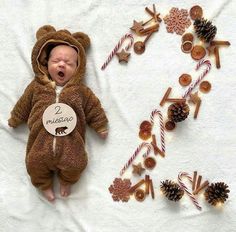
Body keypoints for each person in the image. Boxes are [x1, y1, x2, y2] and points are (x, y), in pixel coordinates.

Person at [8, 25, 108, 202]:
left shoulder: (80, 91)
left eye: (69, 63)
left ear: (78, 68)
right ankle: (44, 185)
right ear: (45, 63)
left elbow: (93, 108)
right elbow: (23, 104)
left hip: (71, 145)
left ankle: (66, 181)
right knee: (33, 164)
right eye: (56, 61)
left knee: (77, 164)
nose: (62, 64)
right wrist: (16, 118)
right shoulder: (36, 88)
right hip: (40, 143)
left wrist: (100, 125)